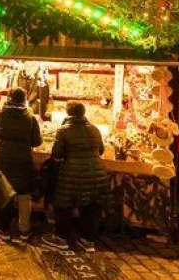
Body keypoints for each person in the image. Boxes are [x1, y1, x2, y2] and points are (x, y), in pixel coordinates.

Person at [42, 102, 109, 252]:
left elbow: (57, 154)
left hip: (72, 173)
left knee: (63, 205)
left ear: (68, 113)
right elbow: (101, 150)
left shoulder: (64, 130)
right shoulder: (95, 129)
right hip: (97, 173)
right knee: (90, 207)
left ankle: (61, 238)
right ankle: (88, 241)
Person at [0, 87, 42, 242]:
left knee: (5, 193)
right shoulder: (31, 117)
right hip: (23, 160)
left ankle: (3, 229)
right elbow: (37, 141)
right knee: (24, 195)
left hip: (3, 158)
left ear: (9, 98)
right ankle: (24, 230)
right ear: (24, 99)